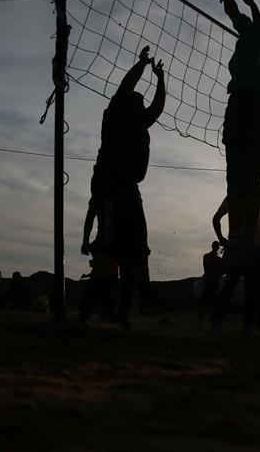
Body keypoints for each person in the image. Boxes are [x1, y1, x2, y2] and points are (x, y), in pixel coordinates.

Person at [83, 45, 165, 329]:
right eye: (138, 101)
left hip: (129, 188)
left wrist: (161, 79)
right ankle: (94, 304)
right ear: (129, 103)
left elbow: (157, 108)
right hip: (110, 184)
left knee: (136, 243)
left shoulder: (139, 121)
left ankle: (132, 304)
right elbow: (126, 86)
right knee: (109, 242)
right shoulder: (117, 112)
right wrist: (141, 65)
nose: (142, 104)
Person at [207, 0, 260, 268]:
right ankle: (250, 238)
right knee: (253, 178)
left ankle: (237, 238)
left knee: (235, 173)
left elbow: (234, 14)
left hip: (244, 103)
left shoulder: (251, 32)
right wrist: (254, 7)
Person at [211, 196, 260, 336]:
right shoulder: (233, 196)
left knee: (250, 288)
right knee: (232, 284)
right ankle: (219, 321)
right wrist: (221, 238)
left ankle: (247, 326)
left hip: (255, 248)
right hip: (238, 247)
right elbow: (216, 218)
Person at [199, 241, 224, 325]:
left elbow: (221, 270)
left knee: (211, 299)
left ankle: (209, 317)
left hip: (212, 281)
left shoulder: (209, 257)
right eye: (215, 246)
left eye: (217, 246)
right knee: (206, 299)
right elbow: (209, 267)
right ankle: (204, 316)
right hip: (209, 280)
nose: (216, 248)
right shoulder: (208, 257)